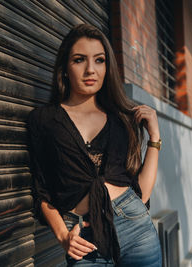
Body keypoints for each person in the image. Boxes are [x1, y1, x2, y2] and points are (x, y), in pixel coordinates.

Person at [27, 24, 162, 266]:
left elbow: (141, 193)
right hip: (82, 240)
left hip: (136, 229)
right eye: (79, 60)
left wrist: (154, 138)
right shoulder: (44, 120)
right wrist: (62, 235)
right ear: (65, 68)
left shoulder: (122, 119)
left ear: (107, 67)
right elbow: (41, 190)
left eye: (99, 60)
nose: (91, 69)